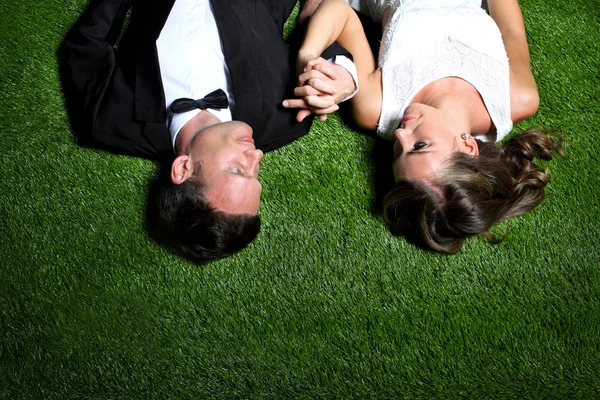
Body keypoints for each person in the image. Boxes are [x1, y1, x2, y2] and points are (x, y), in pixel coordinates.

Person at [60, 0, 358, 263]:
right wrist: (342, 74)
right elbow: (317, 11)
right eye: (256, 174)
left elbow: (85, 45)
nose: (256, 155)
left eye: (238, 171)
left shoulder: (107, 120)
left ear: (183, 168)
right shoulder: (288, 118)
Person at [285, 0, 562, 253]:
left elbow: (340, 13)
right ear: (467, 145)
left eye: (397, 153)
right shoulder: (517, 98)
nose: (400, 134)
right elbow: (511, 31)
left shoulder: (375, 108)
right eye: (419, 146)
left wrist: (307, 59)